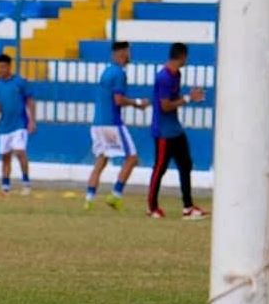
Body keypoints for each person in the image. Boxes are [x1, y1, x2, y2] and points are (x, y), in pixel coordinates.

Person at [84, 41, 150, 210]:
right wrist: (137, 103)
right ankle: (116, 195)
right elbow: (118, 100)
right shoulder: (120, 73)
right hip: (112, 123)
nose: (130, 55)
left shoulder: (106, 71)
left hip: (97, 123)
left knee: (102, 159)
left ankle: (89, 199)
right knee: (132, 158)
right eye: (128, 51)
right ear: (123, 52)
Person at [146, 43, 208, 219]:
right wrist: (188, 98)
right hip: (164, 132)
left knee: (185, 164)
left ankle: (188, 207)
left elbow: (173, 100)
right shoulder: (164, 77)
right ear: (181, 56)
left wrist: (187, 97)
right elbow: (165, 106)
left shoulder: (176, 74)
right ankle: (151, 207)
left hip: (175, 129)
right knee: (160, 168)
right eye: (186, 57)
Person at [0, 53, 36, 196]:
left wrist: (32, 120)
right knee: (5, 156)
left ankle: (26, 183)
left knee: (20, 152)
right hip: (4, 126)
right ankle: (5, 186)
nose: (1, 70)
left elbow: (30, 101)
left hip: (20, 124)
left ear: (9, 66)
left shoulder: (20, 82)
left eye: (3, 66)